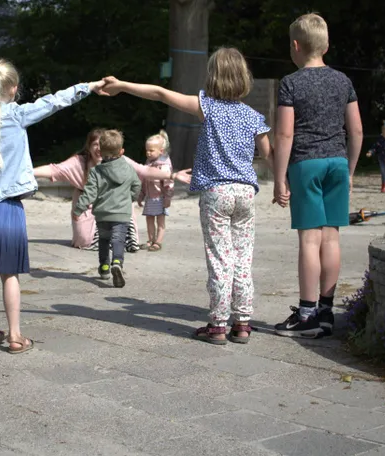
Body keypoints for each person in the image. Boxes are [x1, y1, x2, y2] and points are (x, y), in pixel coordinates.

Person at [101, 47, 273, 345]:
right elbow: (270, 154)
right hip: (246, 192)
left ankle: (218, 324)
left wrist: (123, 86)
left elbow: (160, 93)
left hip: (216, 193)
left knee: (220, 259)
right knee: (243, 257)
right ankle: (243, 322)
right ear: (244, 77)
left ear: (213, 77)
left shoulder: (206, 106)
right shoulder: (253, 116)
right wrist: (283, 184)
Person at [0, 58, 106, 354]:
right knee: (10, 275)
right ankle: (14, 335)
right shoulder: (18, 115)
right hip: (8, 208)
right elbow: (55, 101)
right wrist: (89, 86)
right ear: (14, 88)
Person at [273, 13, 364, 339]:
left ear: (295, 46)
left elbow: (284, 136)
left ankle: (307, 313)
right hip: (337, 163)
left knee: (309, 240)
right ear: (326, 45)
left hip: (306, 164)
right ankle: (326, 311)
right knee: (331, 237)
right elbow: (356, 129)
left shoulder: (291, 83)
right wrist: (350, 169)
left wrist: (279, 177)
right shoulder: (343, 81)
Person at [32, 131, 174, 251]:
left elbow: (144, 171)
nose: (99, 148)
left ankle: (116, 242)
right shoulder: (79, 163)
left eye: (103, 145)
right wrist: (28, 172)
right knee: (85, 240)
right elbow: (54, 169)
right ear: (89, 147)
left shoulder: (120, 161)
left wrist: (171, 175)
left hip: (115, 204)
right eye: (95, 144)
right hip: (87, 204)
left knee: (126, 239)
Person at [73, 130, 142, 288]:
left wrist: (78, 210)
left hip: (103, 214)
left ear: (100, 151)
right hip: (122, 214)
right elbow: (137, 185)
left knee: (104, 240)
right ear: (122, 151)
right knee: (118, 240)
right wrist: (130, 197)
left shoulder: (96, 171)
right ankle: (117, 262)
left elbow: (90, 192)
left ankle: (104, 268)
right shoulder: (128, 168)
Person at [138, 130, 174, 251]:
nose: (148, 153)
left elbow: (168, 182)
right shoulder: (148, 164)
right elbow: (144, 181)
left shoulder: (163, 165)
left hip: (160, 198)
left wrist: (168, 197)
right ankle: (150, 239)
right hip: (149, 197)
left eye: (151, 150)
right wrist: (141, 195)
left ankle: (158, 241)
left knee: (160, 220)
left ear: (161, 151)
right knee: (149, 219)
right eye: (147, 150)